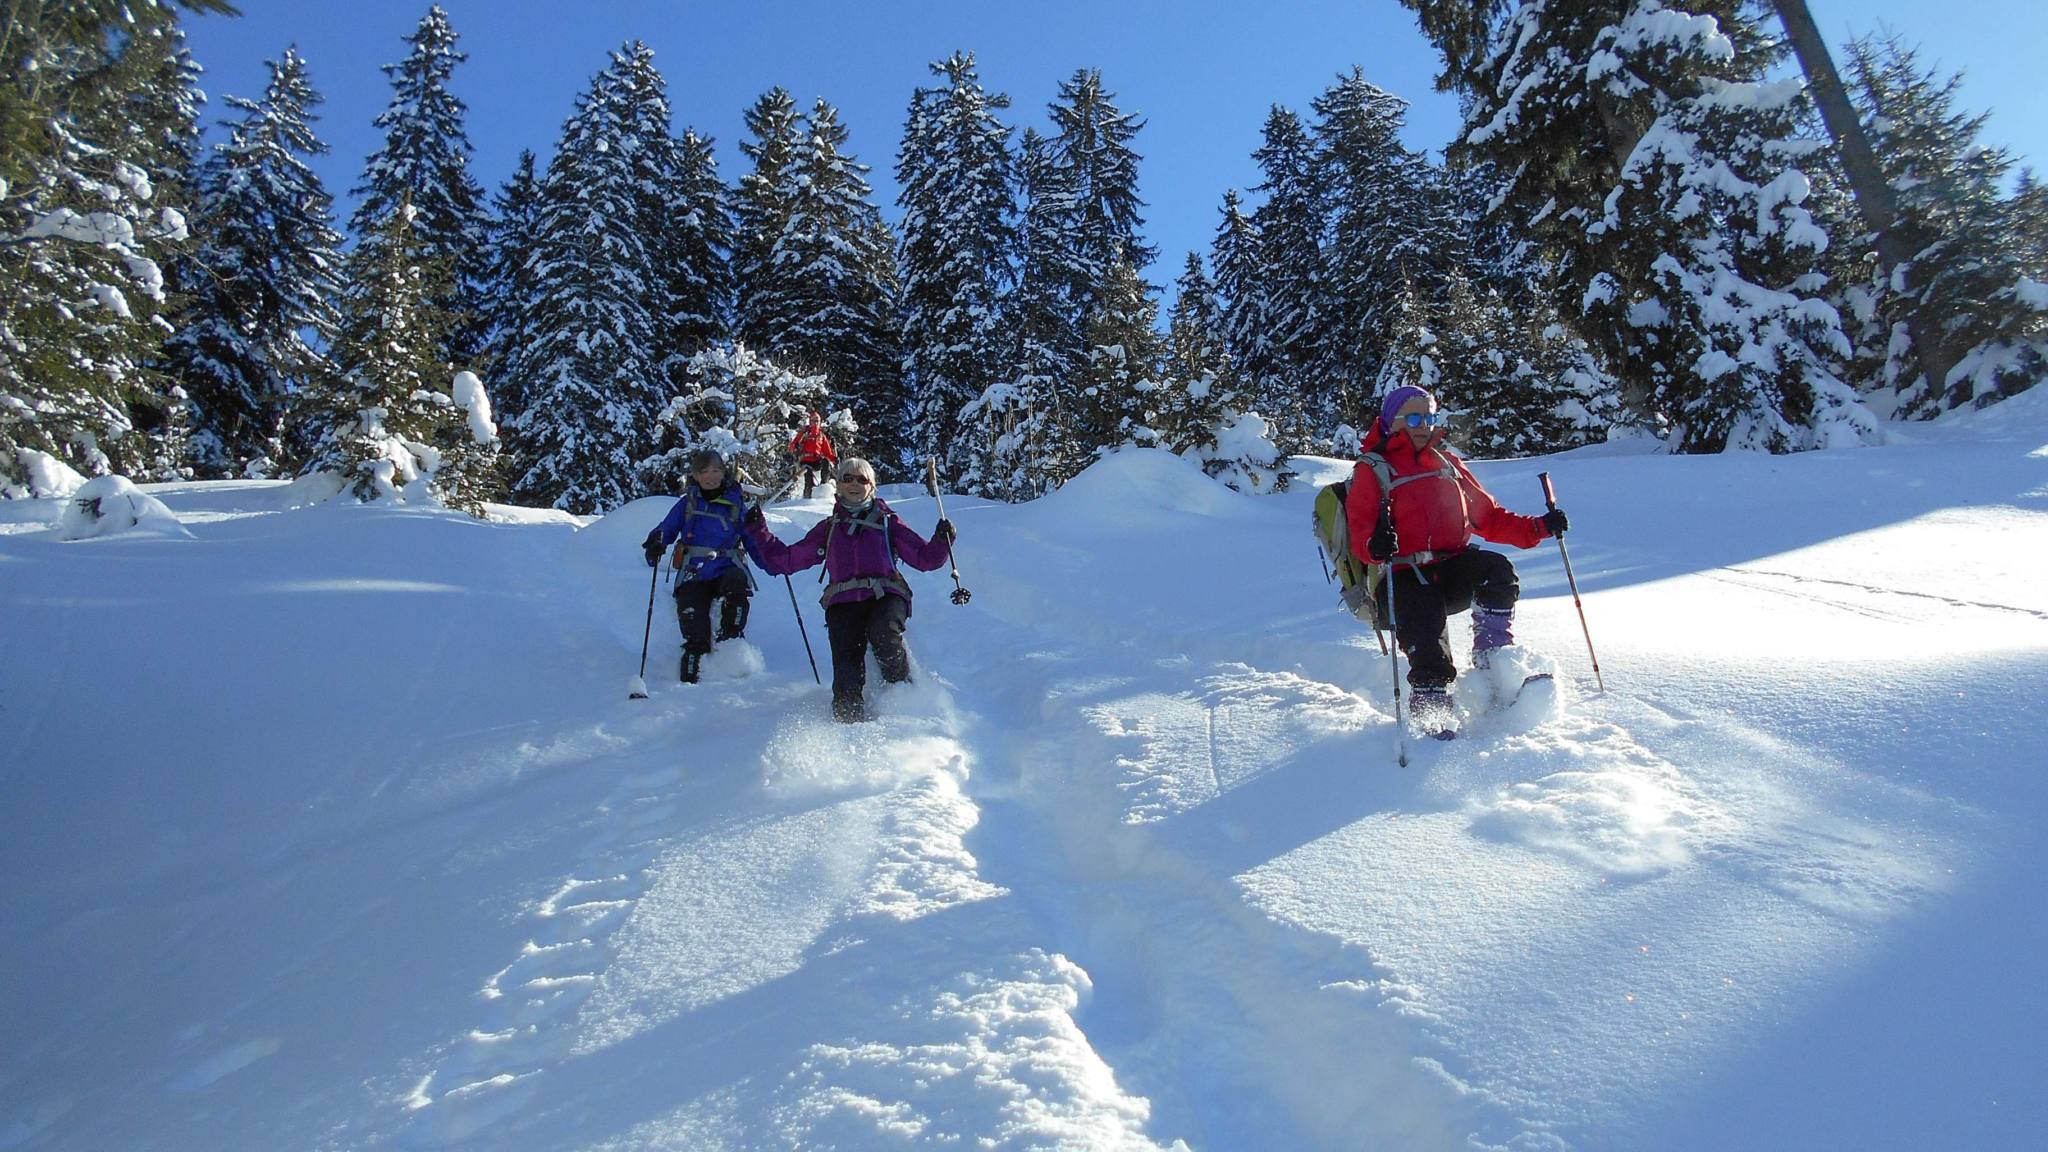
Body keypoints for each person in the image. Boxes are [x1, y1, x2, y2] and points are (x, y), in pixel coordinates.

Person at [1344, 384, 1570, 732]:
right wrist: (1376, 545)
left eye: (1430, 417)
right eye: (1415, 417)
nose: (1424, 426)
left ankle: (1493, 663)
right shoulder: (1373, 470)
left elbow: (1489, 518)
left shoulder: (1447, 463)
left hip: (1451, 566)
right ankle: (1432, 715)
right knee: (1428, 641)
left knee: (1496, 570)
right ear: (1394, 421)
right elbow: (1360, 535)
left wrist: (1539, 528)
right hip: (1402, 577)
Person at [743, 457, 955, 722]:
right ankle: (848, 719)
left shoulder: (889, 523)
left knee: (884, 631)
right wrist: (758, 530)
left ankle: (901, 696)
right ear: (838, 487)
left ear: (872, 487)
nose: (854, 483)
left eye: (862, 479)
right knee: (846, 664)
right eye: (847, 478)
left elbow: (926, 559)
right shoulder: (830, 528)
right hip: (843, 600)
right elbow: (784, 561)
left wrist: (942, 540)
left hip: (886, 594)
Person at [642, 447, 760, 684]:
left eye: (716, 470)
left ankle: (731, 641)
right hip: (694, 573)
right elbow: (667, 528)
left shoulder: (735, 504)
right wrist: (656, 544)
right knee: (693, 619)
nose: (711, 476)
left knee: (737, 585)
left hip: (726, 567)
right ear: (695, 475)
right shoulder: (687, 503)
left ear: (724, 472)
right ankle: (691, 672)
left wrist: (777, 560)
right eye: (704, 471)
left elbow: (753, 539)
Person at [788, 411, 838, 499]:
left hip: (816, 460)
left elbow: (827, 451)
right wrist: (796, 445)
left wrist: (834, 459)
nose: (815, 423)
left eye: (817, 421)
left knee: (826, 462)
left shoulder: (821, 435)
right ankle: (807, 498)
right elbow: (793, 445)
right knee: (808, 477)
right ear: (810, 421)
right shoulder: (805, 433)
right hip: (805, 460)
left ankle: (823, 486)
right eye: (813, 420)